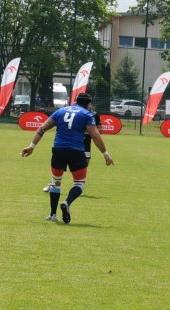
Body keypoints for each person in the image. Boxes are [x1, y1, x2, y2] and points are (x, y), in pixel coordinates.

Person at [21, 92, 113, 224]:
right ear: (87, 103)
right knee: (79, 183)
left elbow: (42, 128)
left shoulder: (60, 111)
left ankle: (53, 214)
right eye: (90, 103)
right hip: (76, 151)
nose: (91, 106)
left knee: (56, 181)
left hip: (58, 150)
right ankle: (66, 202)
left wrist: (31, 146)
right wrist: (106, 154)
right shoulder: (87, 114)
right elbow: (96, 135)